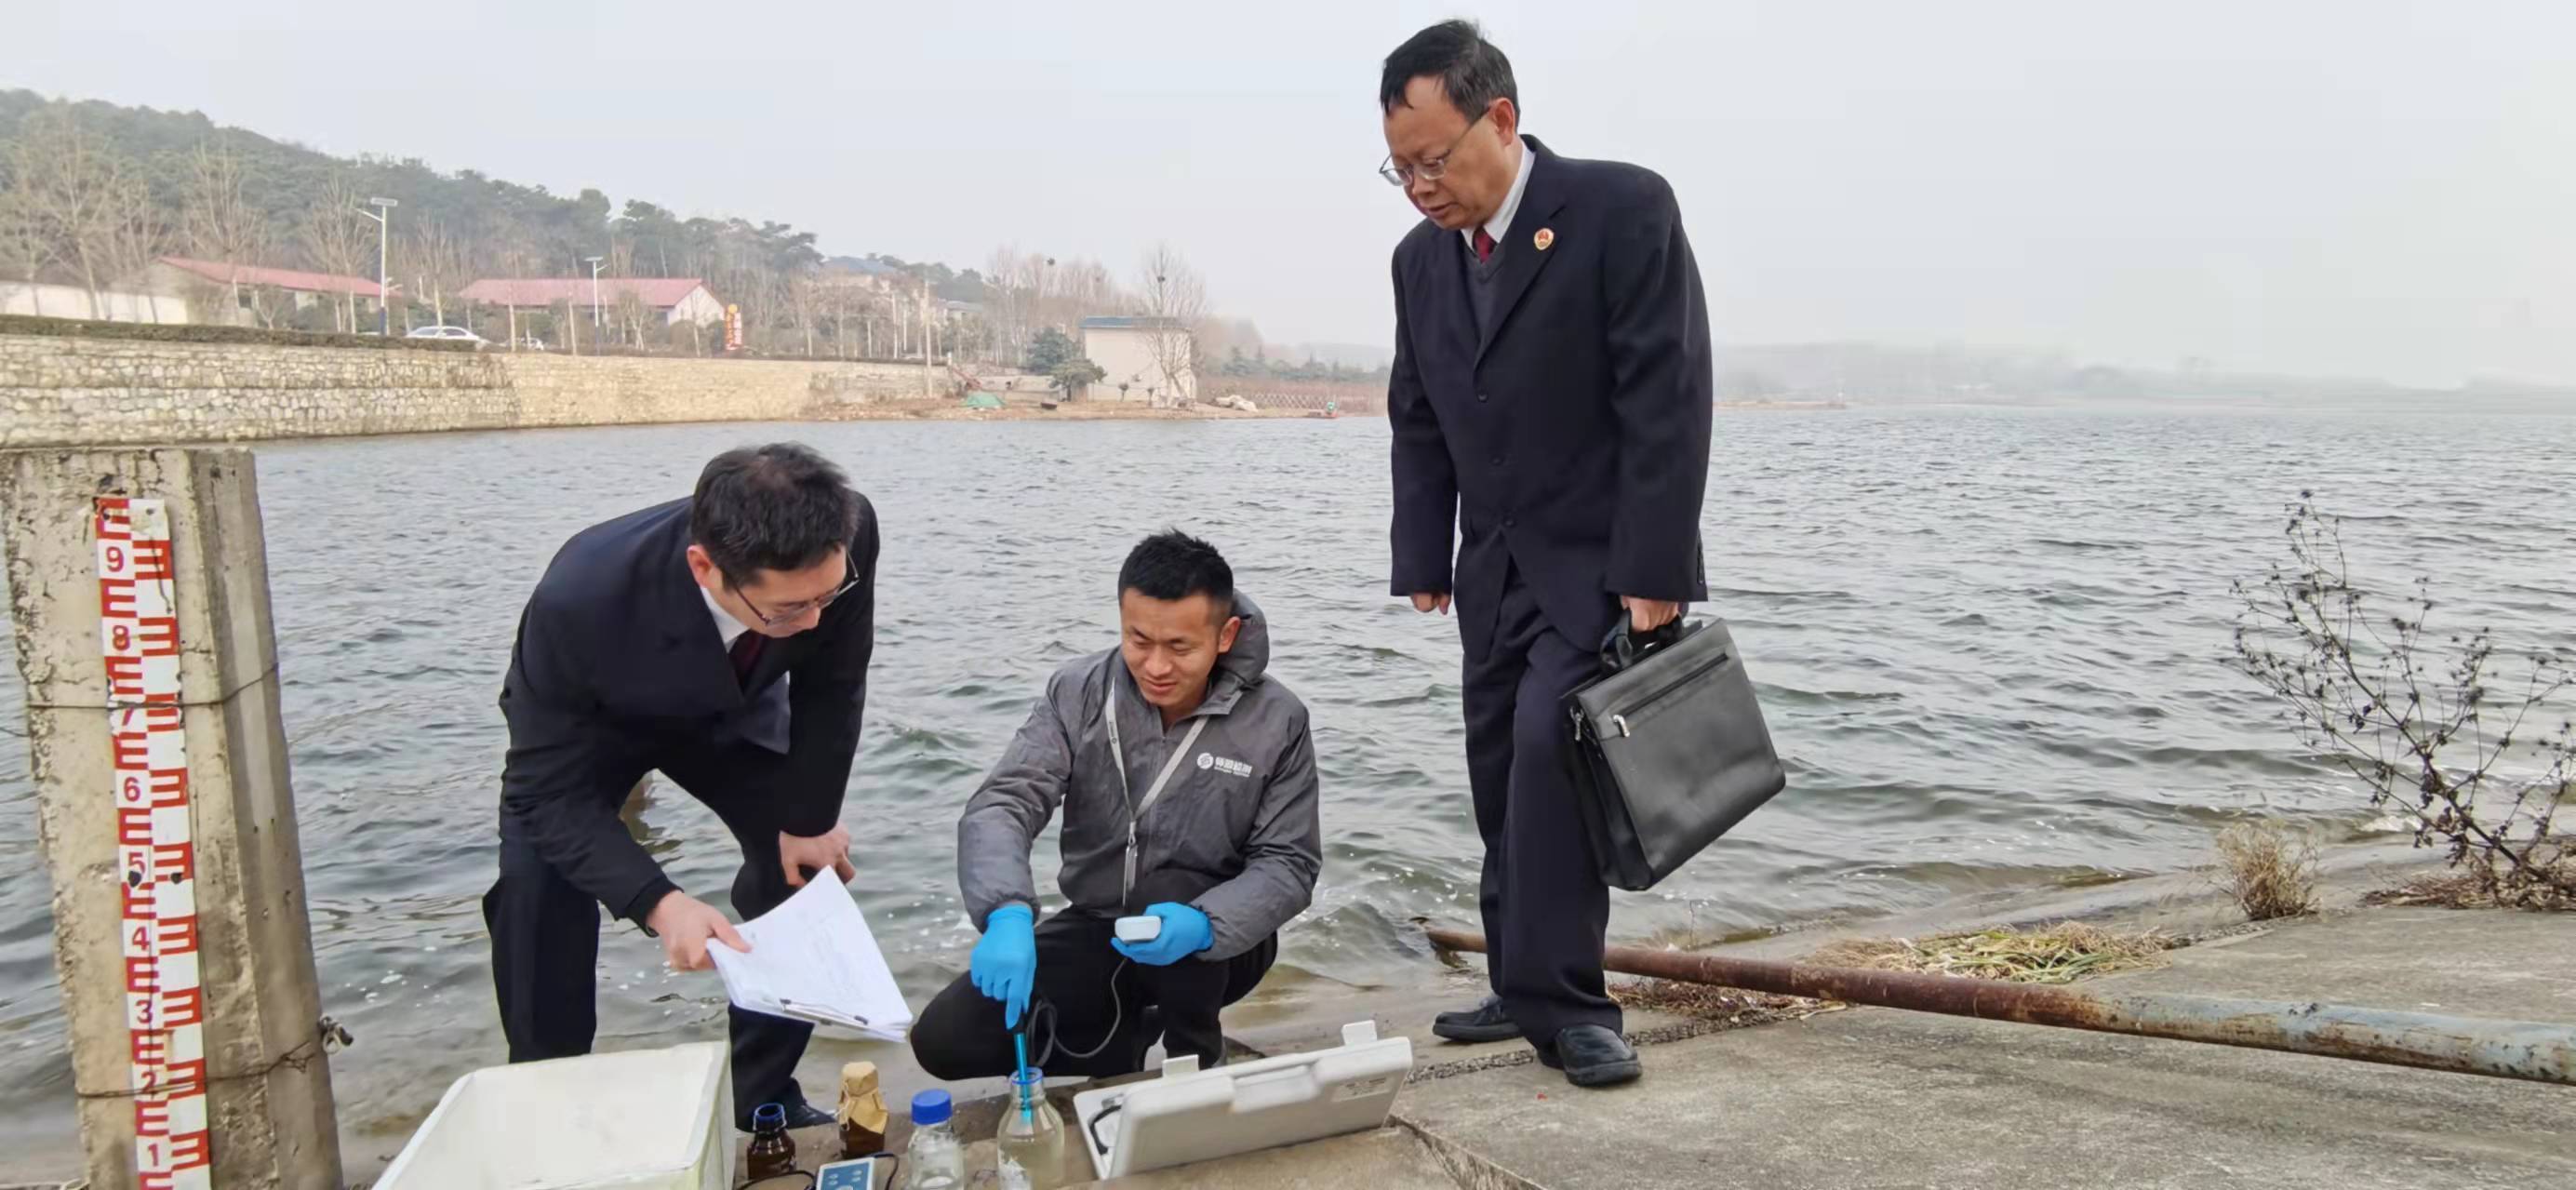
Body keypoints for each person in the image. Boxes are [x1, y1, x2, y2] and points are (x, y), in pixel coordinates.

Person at [1378, 20, 1714, 1088]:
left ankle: (1572, 1006)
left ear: (1502, 120)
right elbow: (1419, 412)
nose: (1421, 186)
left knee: (1548, 760)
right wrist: (1424, 550)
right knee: (1495, 770)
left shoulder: (1621, 209)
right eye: (1400, 168)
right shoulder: (1419, 260)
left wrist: (1656, 568)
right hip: (1495, 569)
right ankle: (1516, 976)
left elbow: (1668, 397)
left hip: (1604, 564)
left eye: (1435, 160)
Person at [482, 443, 880, 1129]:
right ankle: (547, 1108)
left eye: (826, 596)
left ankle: (762, 1102)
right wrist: (659, 902)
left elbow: (833, 679)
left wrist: (810, 816)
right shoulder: (578, 599)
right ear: (706, 566)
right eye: (789, 610)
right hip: (596, 730)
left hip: (732, 702)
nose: (814, 621)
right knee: (537, 895)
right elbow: (545, 792)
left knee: (801, 873)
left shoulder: (845, 530)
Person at [910, 531, 1321, 1078]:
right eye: (1138, 640)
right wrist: (1006, 913)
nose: (1155, 666)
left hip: (1215, 941)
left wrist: (1204, 925)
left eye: (1179, 647)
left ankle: (1197, 1059)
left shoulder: (1278, 719)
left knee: (1169, 889)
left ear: (1225, 636)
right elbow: (1005, 803)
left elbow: (1289, 864)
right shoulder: (1076, 691)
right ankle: (1120, 1045)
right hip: (1100, 923)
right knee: (943, 1040)